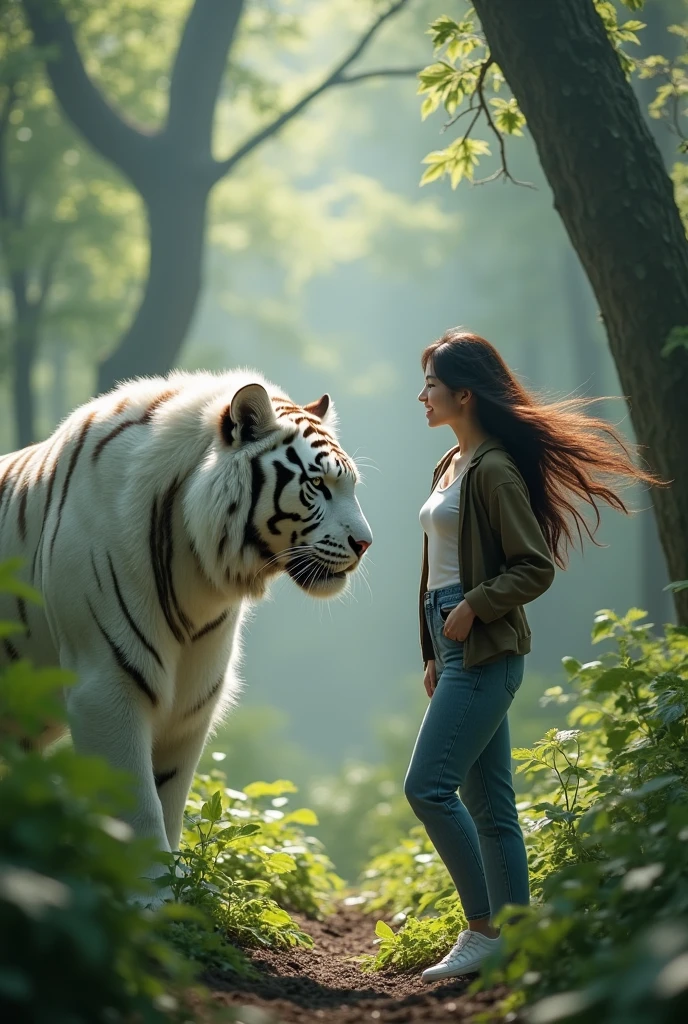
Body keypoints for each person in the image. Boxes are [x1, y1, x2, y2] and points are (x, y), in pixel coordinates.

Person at [405, 328, 662, 982]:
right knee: (490, 806)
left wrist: (474, 607)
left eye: (431, 385)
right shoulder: (451, 465)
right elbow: (436, 567)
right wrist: (432, 647)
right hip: (456, 644)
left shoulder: (492, 469)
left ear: (463, 394)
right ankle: (516, 941)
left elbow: (533, 567)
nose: (421, 396)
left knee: (428, 788)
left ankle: (483, 928)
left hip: (485, 647)